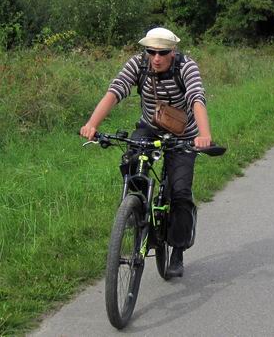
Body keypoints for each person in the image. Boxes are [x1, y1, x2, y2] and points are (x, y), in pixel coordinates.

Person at [79, 27, 213, 279]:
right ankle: (136, 210)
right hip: (150, 128)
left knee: (181, 192)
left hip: (184, 135)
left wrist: (203, 135)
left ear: (173, 51)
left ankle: (178, 250)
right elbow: (116, 90)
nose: (156, 58)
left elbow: (196, 98)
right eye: (151, 52)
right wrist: (92, 124)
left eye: (162, 52)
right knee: (131, 159)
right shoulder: (138, 64)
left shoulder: (186, 67)